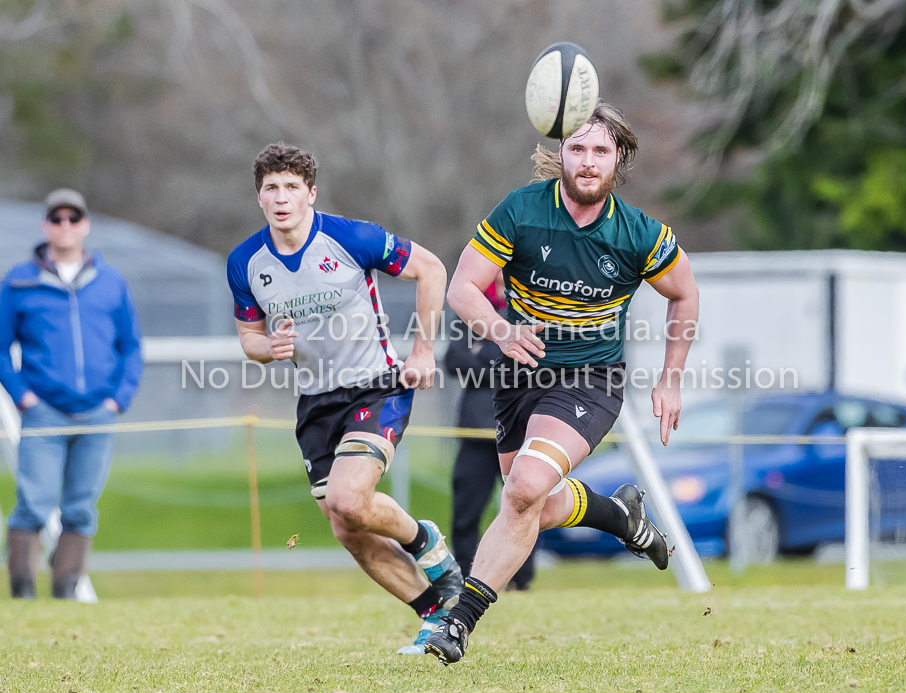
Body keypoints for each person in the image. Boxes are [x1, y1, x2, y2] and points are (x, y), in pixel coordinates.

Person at [425, 101, 700, 664]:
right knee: (529, 504)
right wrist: (500, 330)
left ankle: (458, 621)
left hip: (591, 380)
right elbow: (462, 288)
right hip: (520, 375)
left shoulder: (638, 233)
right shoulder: (523, 211)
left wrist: (671, 379)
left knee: (524, 489)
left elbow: (684, 295)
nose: (588, 161)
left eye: (601, 150)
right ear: (560, 154)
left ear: (619, 159)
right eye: (578, 148)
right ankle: (618, 516)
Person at [227, 143, 462, 654]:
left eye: (292, 187)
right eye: (271, 188)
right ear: (259, 199)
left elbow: (433, 269)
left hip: (375, 386)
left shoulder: (349, 237)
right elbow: (248, 337)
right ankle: (434, 612)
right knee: (346, 526)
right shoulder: (246, 261)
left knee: (348, 498)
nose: (282, 197)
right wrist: (268, 347)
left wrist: (422, 352)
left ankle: (427, 544)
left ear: (311, 193)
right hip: (314, 403)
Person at [0, 188, 143, 600]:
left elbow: (131, 345)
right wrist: (22, 397)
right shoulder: (19, 281)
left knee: (81, 508)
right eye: (57, 218)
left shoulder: (111, 281)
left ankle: (65, 591)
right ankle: (22, 594)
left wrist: (119, 398)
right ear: (46, 225)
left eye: (73, 218)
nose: (65, 226)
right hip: (42, 413)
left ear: (85, 225)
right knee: (33, 503)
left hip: (98, 413)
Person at [445, 277, 535, 591]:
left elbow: (532, 364)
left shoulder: (528, 310)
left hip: (518, 430)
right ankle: (463, 578)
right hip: (476, 432)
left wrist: (482, 353)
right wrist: (501, 362)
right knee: (465, 514)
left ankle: (520, 581)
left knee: (524, 507)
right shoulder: (473, 315)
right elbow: (453, 360)